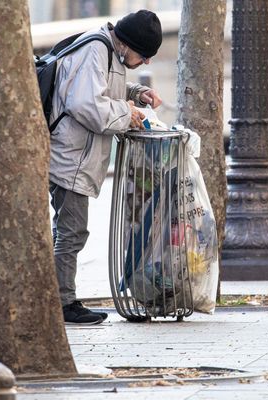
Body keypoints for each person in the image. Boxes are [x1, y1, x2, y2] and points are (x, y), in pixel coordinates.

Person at [49, 10, 164, 324]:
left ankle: (56, 296)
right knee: (72, 232)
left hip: (77, 155)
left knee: (67, 230)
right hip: (69, 156)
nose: (147, 63)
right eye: (145, 55)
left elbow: (101, 89)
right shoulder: (95, 50)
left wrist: (134, 94)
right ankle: (63, 302)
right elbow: (87, 105)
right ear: (128, 45)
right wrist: (127, 114)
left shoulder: (110, 50)